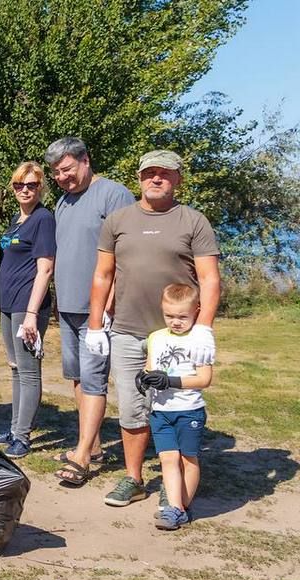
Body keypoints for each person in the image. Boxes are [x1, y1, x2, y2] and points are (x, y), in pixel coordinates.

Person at [76, 150, 220, 502]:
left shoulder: (193, 221)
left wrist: (202, 329)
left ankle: (182, 474)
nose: (156, 179)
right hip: (127, 330)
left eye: (165, 173)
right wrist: (96, 325)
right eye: (149, 173)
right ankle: (134, 478)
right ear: (139, 178)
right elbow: (102, 274)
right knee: (131, 406)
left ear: (178, 179)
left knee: (179, 403)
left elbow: (210, 279)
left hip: (179, 335)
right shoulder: (118, 220)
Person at [44, 138, 136, 484]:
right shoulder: (63, 202)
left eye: (67, 169)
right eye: (57, 174)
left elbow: (126, 255)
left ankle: (82, 457)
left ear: (85, 160)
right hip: (67, 307)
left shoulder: (114, 195)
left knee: (95, 378)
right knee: (78, 377)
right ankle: (92, 444)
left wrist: (108, 304)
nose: (63, 178)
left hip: (98, 310)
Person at [0, 162, 56, 458]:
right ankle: (14, 428)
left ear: (41, 188)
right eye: (19, 185)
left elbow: (45, 268)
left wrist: (32, 314)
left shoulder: (43, 219)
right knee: (15, 369)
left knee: (28, 371)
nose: (25, 190)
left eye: (32, 185)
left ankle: (22, 437)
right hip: (8, 304)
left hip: (28, 306)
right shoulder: (17, 219)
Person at [138, 283, 213, 530]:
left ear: (196, 310)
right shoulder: (156, 337)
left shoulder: (200, 339)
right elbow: (150, 367)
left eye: (182, 316)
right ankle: (174, 508)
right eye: (170, 316)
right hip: (161, 411)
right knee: (167, 459)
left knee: (188, 459)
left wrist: (171, 381)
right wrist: (143, 377)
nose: (176, 322)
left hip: (188, 410)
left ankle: (183, 506)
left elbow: (205, 379)